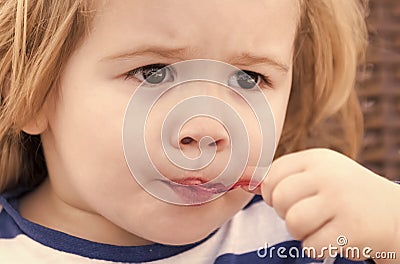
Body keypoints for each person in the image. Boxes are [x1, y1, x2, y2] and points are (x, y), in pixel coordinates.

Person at [0, 0, 398, 263]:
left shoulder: (312, 237)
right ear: (33, 93)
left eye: (248, 78)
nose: (209, 128)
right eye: (153, 73)